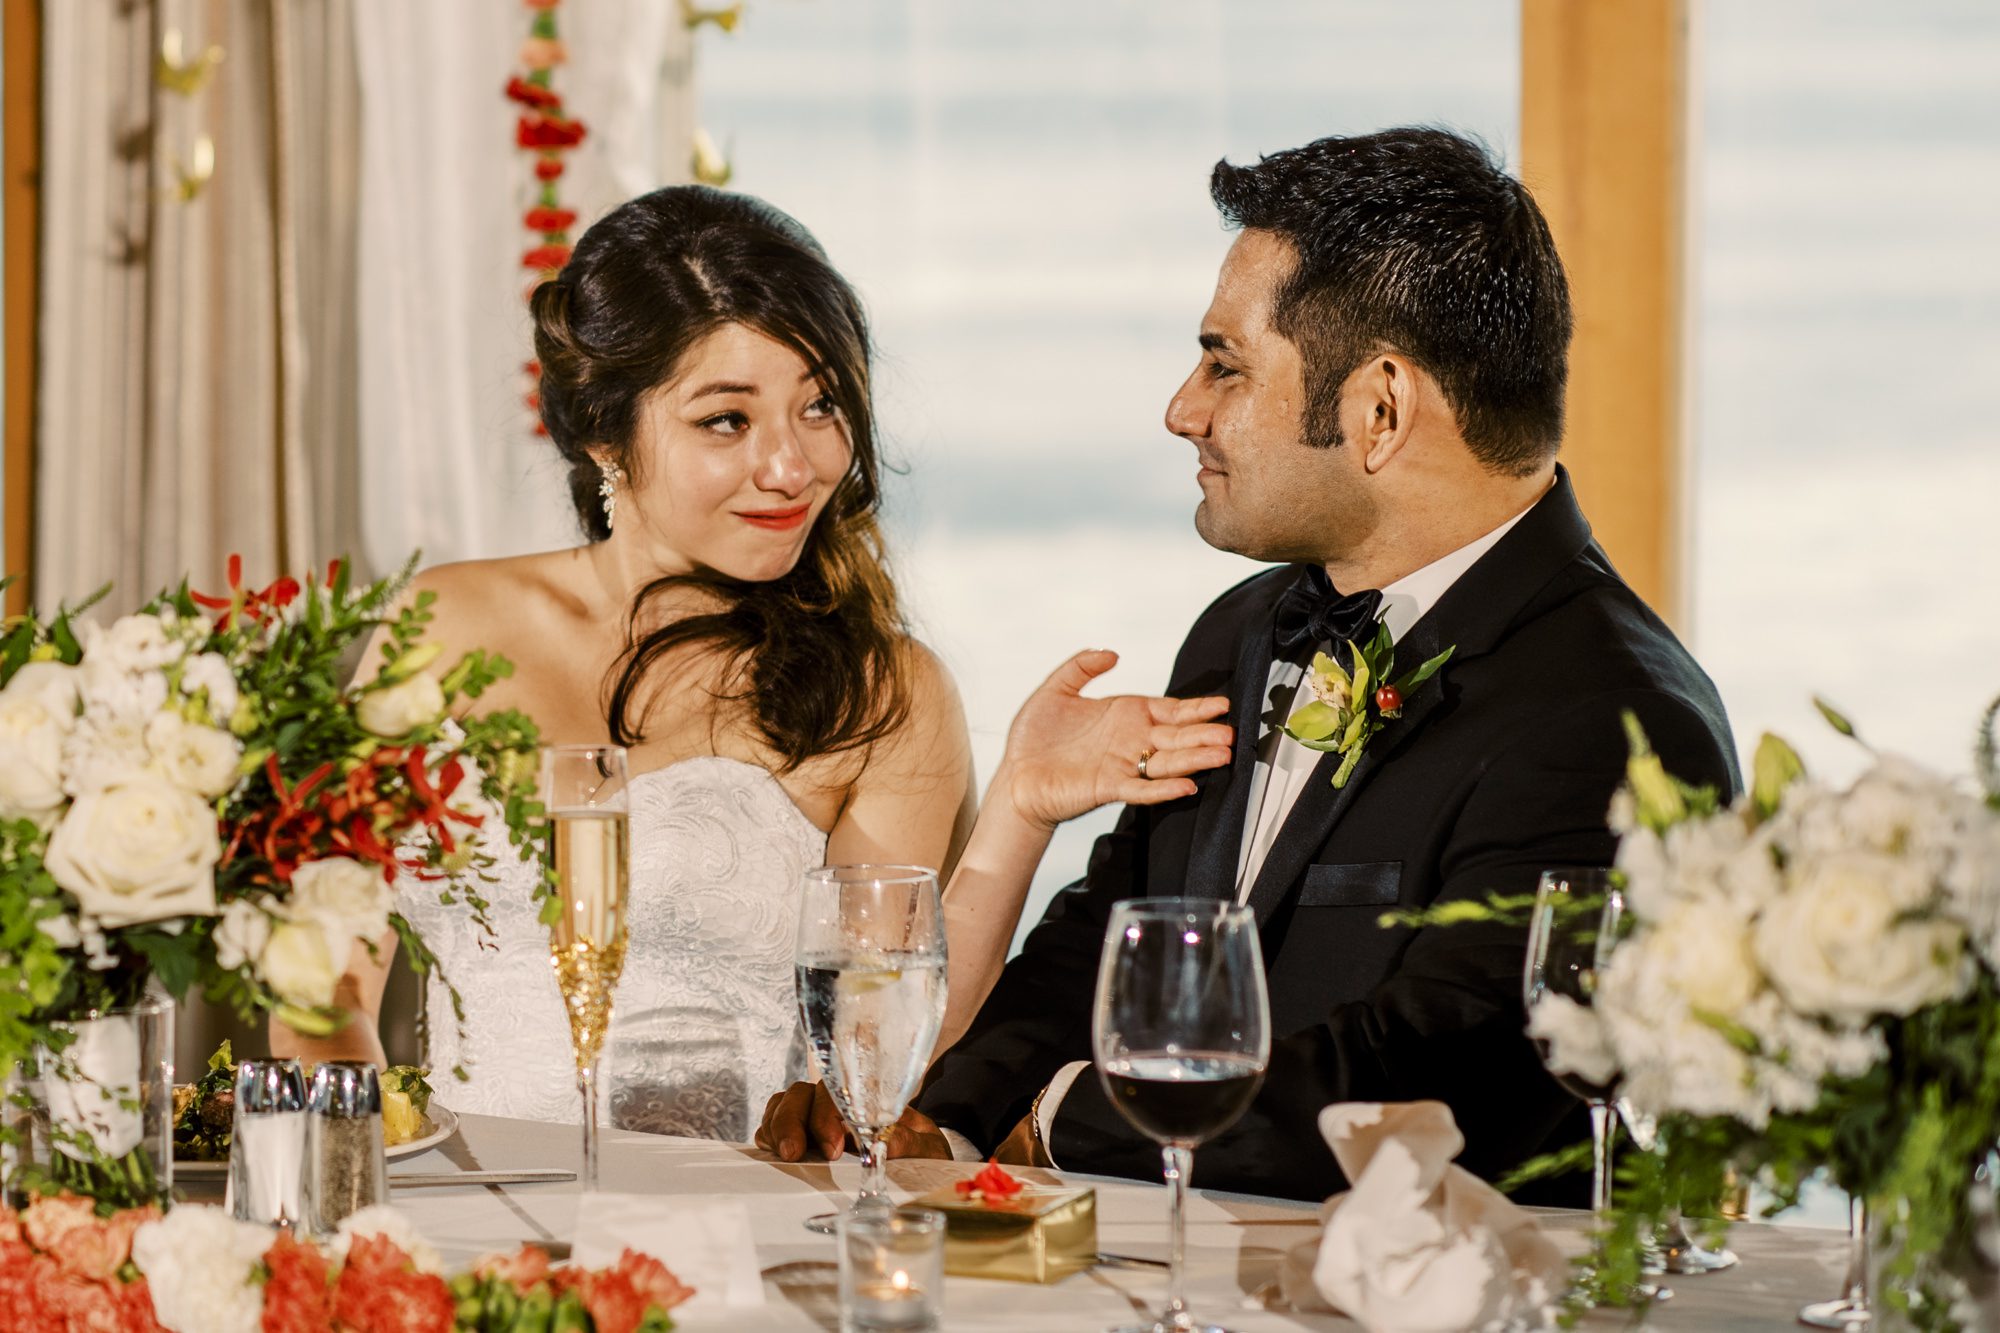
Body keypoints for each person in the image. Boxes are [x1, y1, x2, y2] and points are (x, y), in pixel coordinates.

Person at [756, 128, 1739, 1201]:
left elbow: (1427, 1086)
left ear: (1378, 409)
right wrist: (940, 1121)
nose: (1183, 409)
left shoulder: (1615, 721)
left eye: (1224, 364)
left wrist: (1058, 1117)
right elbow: (1109, 932)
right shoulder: (1241, 631)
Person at [273, 186, 1230, 1140]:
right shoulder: (445, 623)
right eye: (726, 420)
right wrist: (352, 1173)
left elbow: (878, 1047)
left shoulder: (881, 690)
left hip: (738, 1225)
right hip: (462, 1214)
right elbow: (324, 981)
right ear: (606, 432)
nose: (791, 466)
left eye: (820, 406)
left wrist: (1020, 804)